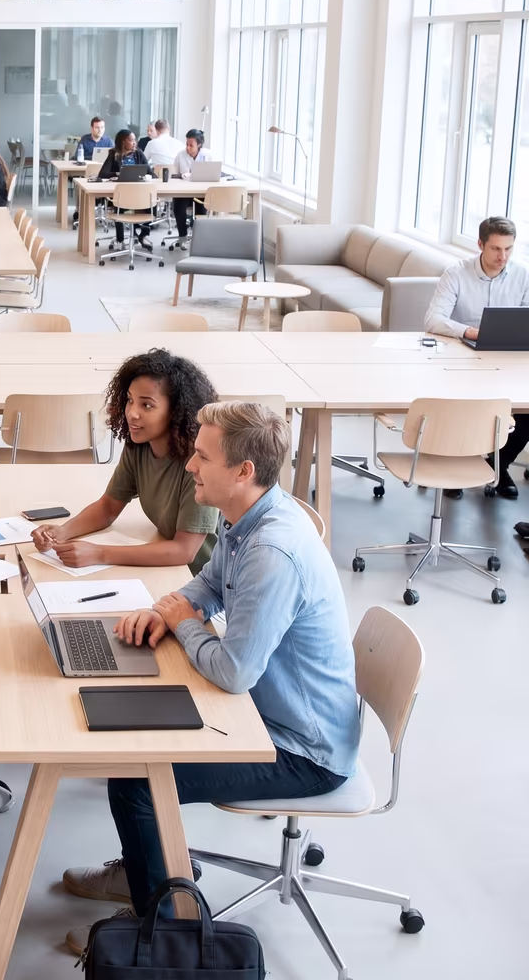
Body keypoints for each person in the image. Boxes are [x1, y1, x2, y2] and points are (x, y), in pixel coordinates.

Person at [62, 402, 358, 951]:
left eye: (202, 455)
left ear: (242, 471)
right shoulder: (249, 515)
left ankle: (160, 931)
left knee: (137, 781)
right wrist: (166, 609)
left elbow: (234, 673)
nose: (190, 465)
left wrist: (186, 625)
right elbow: (210, 587)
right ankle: (145, 874)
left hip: (302, 750)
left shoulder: (273, 550)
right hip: (271, 714)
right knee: (134, 753)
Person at [31, 350, 219, 576]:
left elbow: (185, 550)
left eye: (147, 405)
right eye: (130, 400)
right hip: (167, 569)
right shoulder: (138, 446)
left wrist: (99, 554)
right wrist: (62, 532)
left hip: (202, 580)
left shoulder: (198, 463)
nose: (132, 413)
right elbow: (108, 507)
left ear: (175, 411)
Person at [425, 215, 529, 499]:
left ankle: (497, 464)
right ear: (481, 244)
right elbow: (433, 320)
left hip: (507, 361)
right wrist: (470, 331)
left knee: (527, 414)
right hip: (460, 360)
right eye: (496, 249)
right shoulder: (456, 274)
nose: (502, 256)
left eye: (508, 249)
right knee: (466, 409)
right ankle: (456, 467)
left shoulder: (522, 275)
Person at [98, 129, 152, 248]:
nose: (134, 143)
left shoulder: (138, 153)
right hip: (121, 195)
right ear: (123, 141)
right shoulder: (114, 154)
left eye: (135, 140)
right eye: (131, 140)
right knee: (119, 203)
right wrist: (118, 174)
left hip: (138, 194)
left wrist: (147, 176)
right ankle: (120, 239)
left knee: (152, 202)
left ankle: (143, 235)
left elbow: (151, 173)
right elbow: (102, 174)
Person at [170, 128, 210, 244]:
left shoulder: (207, 155)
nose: (188, 148)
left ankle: (199, 237)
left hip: (201, 191)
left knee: (202, 208)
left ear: (199, 145)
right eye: (187, 144)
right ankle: (182, 236)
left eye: (191, 145)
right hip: (184, 192)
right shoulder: (180, 155)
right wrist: (182, 176)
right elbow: (174, 175)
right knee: (178, 205)